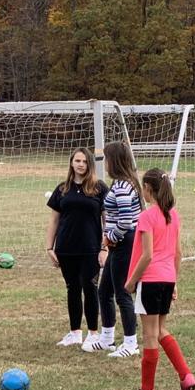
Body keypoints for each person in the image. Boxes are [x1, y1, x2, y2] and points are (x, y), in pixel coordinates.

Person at [125, 168, 195, 390]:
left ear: (148, 189)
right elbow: (177, 253)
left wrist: (132, 281)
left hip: (150, 280)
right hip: (166, 279)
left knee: (149, 335)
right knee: (161, 330)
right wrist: (173, 281)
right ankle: (186, 376)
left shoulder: (147, 216)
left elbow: (146, 255)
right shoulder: (173, 215)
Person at [45, 147, 109, 351]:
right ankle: (74, 333)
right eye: (77, 161)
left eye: (84, 161)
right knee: (72, 288)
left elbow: (107, 220)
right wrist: (49, 247)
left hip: (91, 249)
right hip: (66, 248)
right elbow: (54, 220)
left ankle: (93, 333)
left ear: (89, 164)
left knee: (90, 289)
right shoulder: (62, 189)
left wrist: (104, 248)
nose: (80, 164)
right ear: (71, 163)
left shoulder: (99, 188)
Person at [95, 141, 142, 357]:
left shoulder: (123, 186)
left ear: (114, 160)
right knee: (104, 291)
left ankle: (131, 343)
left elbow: (125, 221)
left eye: (106, 158)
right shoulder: (122, 183)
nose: (104, 162)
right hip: (119, 243)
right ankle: (106, 337)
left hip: (124, 242)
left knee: (123, 292)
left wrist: (110, 238)